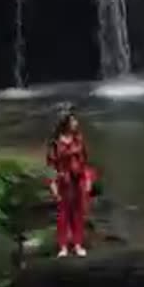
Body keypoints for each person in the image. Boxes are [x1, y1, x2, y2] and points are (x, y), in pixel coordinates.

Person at [46, 109, 96, 257]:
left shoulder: (78, 139)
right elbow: (50, 165)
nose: (76, 123)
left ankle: (77, 244)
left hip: (78, 179)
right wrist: (52, 185)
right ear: (65, 123)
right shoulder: (55, 143)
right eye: (73, 121)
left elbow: (85, 161)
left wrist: (88, 180)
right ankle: (63, 246)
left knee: (78, 212)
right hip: (63, 180)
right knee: (63, 214)